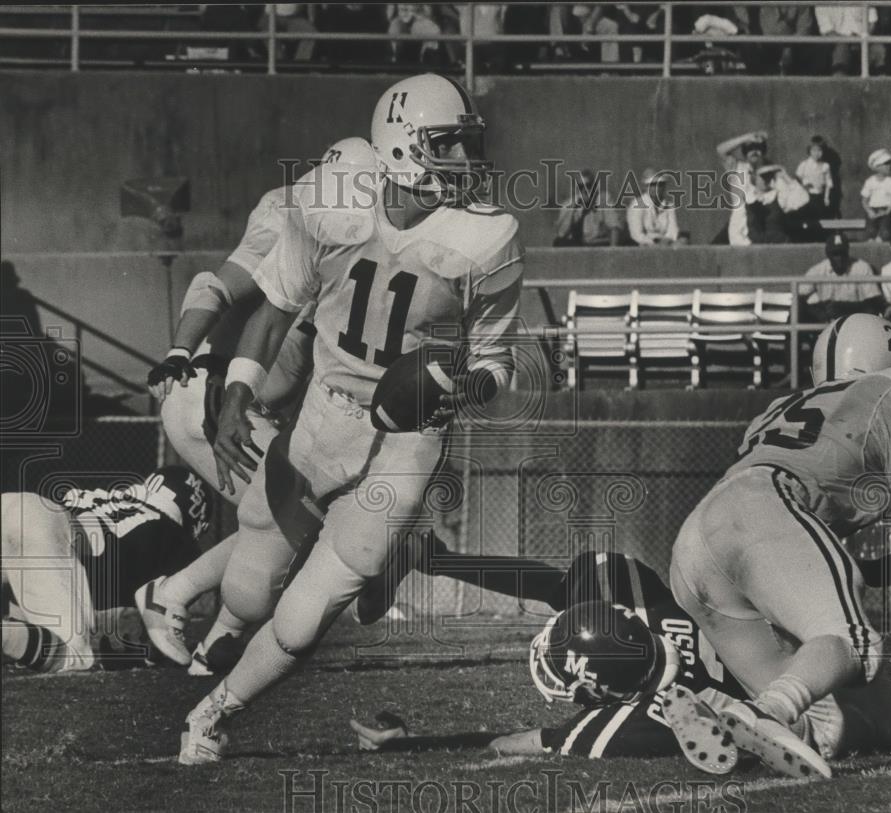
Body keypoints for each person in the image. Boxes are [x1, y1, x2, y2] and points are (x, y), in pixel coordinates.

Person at [179, 73, 525, 765]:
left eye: (465, 144)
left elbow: (496, 362)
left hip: (408, 437)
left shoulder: (487, 237)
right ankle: (212, 625)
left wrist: (454, 386)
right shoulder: (332, 200)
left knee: (310, 612)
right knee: (251, 578)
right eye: (444, 144)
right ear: (398, 145)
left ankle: (212, 712)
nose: (462, 160)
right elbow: (277, 304)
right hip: (323, 412)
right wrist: (240, 394)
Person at [668, 313, 891, 779]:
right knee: (853, 643)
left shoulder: (786, 406)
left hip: (698, 542)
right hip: (766, 507)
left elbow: (798, 546)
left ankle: (728, 711)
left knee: (841, 717)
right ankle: (769, 710)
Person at [350, 556, 891, 774]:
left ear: (600, 683)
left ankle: (778, 731)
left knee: (869, 726)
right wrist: (438, 558)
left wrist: (418, 739)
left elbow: (518, 742)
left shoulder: (629, 717)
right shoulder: (645, 603)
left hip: (816, 723)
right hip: (809, 663)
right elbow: (556, 582)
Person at [137, 138, 378, 676]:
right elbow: (216, 285)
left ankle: (213, 647)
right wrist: (179, 350)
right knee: (288, 516)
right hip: (216, 396)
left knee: (290, 522)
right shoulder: (294, 211)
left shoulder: (369, 230)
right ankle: (174, 597)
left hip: (256, 409)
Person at [2, 467, 211, 673]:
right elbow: (160, 623)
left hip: (15, 505)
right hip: (36, 523)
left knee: (27, 636)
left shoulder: (112, 499)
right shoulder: (175, 536)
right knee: (72, 655)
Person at [799, 233, 885, 323]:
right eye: (835, 254)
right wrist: (819, 312)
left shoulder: (861, 267)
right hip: (828, 324)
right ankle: (789, 336)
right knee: (799, 310)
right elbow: (799, 298)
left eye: (842, 253)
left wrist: (841, 307)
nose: (839, 258)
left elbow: (873, 303)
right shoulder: (818, 270)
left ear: (847, 252)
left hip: (856, 321)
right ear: (828, 255)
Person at [716, 131, 769, 246]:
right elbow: (720, 150)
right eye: (750, 148)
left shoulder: (768, 171)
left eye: (758, 148)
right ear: (745, 151)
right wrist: (746, 138)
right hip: (739, 226)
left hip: (760, 226)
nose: (754, 152)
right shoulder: (737, 167)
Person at [553, 169, 624, 247]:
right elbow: (561, 233)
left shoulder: (604, 199)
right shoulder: (569, 204)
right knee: (558, 242)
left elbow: (614, 227)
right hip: (579, 244)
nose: (585, 190)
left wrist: (612, 251)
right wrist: (572, 211)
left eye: (588, 186)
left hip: (597, 243)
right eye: (581, 187)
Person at [626, 168, 680, 246]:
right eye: (653, 185)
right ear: (645, 187)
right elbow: (636, 234)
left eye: (660, 184)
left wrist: (666, 241)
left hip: (665, 243)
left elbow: (673, 230)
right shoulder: (637, 204)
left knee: (680, 243)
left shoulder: (669, 205)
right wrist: (653, 244)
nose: (657, 188)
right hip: (644, 244)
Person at [861, 149, 891, 242]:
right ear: (877, 166)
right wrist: (869, 211)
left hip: (885, 211)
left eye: (889, 163)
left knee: (885, 233)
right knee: (870, 233)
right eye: (885, 164)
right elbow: (864, 200)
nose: (889, 166)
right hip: (873, 211)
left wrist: (887, 212)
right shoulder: (870, 181)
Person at [796, 136, 833, 218]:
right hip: (806, 197)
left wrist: (826, 198)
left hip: (819, 198)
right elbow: (797, 180)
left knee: (819, 220)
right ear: (809, 151)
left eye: (819, 150)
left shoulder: (825, 166)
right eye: (814, 150)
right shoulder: (804, 165)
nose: (816, 153)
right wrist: (804, 185)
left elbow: (828, 183)